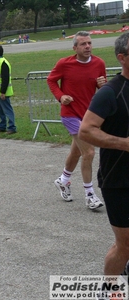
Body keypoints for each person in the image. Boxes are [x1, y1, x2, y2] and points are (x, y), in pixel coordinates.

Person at [78, 31, 129, 279]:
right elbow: (86, 130)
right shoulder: (110, 92)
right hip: (119, 180)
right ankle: (110, 292)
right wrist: (124, 144)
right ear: (122, 57)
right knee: (125, 245)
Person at [47, 31, 107, 210]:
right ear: (75, 48)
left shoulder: (99, 63)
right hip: (70, 114)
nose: (87, 46)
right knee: (89, 152)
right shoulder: (64, 64)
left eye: (89, 43)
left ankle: (63, 180)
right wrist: (61, 96)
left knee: (77, 151)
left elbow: (100, 85)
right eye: (83, 44)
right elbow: (51, 80)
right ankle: (90, 194)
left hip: (88, 115)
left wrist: (102, 85)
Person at [0, 44, 16, 134]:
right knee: (0, 111)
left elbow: (5, 79)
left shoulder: (3, 63)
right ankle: (2, 126)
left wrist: (2, 92)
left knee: (7, 110)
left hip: (2, 92)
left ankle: (12, 127)